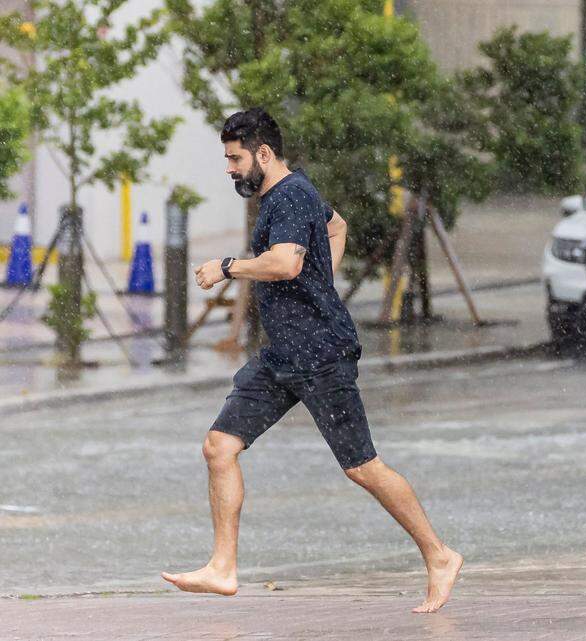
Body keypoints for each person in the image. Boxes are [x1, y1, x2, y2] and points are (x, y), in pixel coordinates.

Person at [161, 107, 462, 613]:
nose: (230, 169)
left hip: (321, 354)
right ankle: (223, 567)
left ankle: (439, 554)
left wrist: (227, 267)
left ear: (263, 153)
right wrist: (320, 278)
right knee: (219, 446)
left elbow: (284, 262)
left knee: (362, 467)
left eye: (235, 159)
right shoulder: (289, 195)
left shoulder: (291, 195)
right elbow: (337, 226)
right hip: (282, 355)